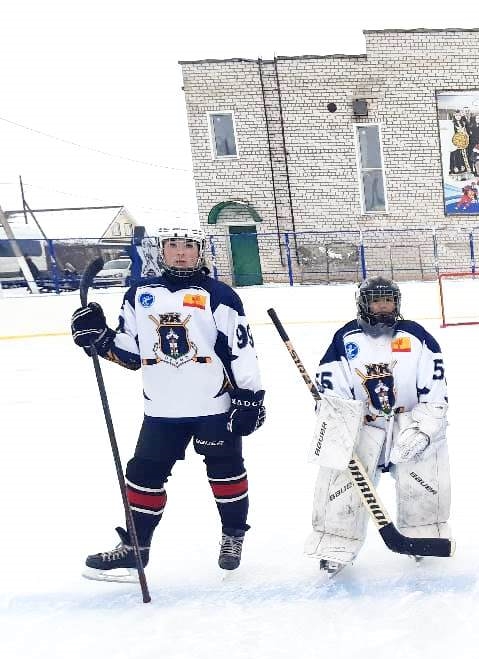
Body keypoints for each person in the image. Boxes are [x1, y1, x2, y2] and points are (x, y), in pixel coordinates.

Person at [69, 227, 265, 578]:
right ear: (161, 250)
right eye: (172, 245)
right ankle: (136, 548)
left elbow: (242, 350)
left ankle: (233, 535)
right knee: (142, 474)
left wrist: (249, 397)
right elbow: (130, 354)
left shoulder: (219, 295)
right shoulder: (140, 294)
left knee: (226, 470)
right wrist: (99, 339)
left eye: (188, 245)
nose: (180, 252)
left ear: (200, 251)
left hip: (213, 405)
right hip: (161, 408)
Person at [307, 277, 451, 575]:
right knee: (343, 481)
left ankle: (423, 534)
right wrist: (338, 419)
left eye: (389, 300)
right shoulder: (346, 338)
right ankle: (336, 543)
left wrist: (425, 429)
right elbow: (332, 385)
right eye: (376, 301)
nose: (384, 306)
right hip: (361, 424)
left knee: (423, 475)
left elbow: (436, 391)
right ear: (364, 304)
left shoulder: (416, 337)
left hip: (408, 422)